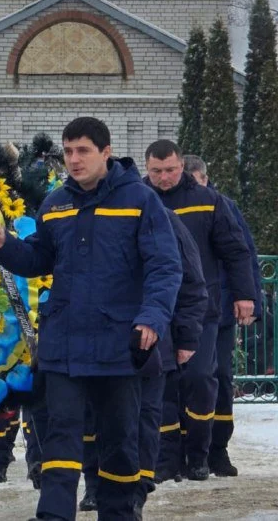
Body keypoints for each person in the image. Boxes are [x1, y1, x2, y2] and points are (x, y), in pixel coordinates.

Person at [0, 117, 181, 521]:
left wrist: (152, 317)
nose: (73, 160)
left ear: (106, 153)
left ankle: (119, 512)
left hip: (119, 344)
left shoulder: (140, 200)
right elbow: (39, 258)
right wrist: (6, 245)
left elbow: (165, 266)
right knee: (60, 435)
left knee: (119, 441)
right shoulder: (55, 203)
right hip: (65, 345)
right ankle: (54, 515)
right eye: (68, 151)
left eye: (83, 151)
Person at [80, 210, 208, 515]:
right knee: (94, 416)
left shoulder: (159, 216)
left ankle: (138, 489)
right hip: (95, 341)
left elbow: (190, 281)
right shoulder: (85, 213)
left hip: (150, 340)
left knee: (144, 418)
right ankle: (95, 484)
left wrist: (187, 337)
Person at [144, 141, 256, 481]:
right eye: (156, 171)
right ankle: (166, 458)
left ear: (182, 166)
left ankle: (200, 453)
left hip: (200, 307)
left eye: (170, 170)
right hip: (156, 308)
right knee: (161, 384)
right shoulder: (138, 200)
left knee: (201, 379)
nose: (164, 177)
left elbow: (236, 251)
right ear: (147, 169)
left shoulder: (209, 201)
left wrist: (245, 295)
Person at [183, 154, 262, 477]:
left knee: (220, 378)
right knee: (185, 381)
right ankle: (186, 451)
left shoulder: (222, 205)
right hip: (186, 310)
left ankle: (217, 449)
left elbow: (244, 255)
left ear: (205, 179)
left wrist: (249, 299)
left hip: (221, 309)